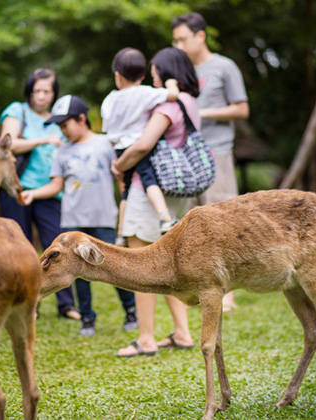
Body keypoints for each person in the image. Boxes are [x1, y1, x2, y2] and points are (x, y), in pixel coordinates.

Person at [21, 95, 138, 336]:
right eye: (60, 126)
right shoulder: (62, 152)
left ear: (82, 119)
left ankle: (131, 311)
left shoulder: (106, 144)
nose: (63, 130)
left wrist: (126, 207)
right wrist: (33, 193)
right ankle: (87, 318)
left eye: (65, 125)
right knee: (80, 275)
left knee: (113, 268)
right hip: (74, 224)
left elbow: (120, 179)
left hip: (103, 217)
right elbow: (56, 186)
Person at [112, 47, 199, 357]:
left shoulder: (167, 105)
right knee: (171, 265)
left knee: (141, 264)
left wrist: (120, 165)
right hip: (177, 193)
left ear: (167, 73)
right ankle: (183, 332)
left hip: (149, 192)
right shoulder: (190, 102)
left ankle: (146, 338)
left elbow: (144, 144)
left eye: (155, 73)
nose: (152, 78)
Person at [172, 12, 250, 312]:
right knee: (190, 225)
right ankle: (198, 290)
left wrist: (201, 114)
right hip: (184, 157)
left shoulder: (224, 67)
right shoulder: (178, 71)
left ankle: (229, 293)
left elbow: (242, 110)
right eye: (175, 40)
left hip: (216, 152)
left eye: (183, 39)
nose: (178, 45)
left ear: (200, 36)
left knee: (223, 223)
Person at [0, 68, 80, 321]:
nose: (41, 96)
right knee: (19, 248)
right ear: (29, 91)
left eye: (47, 91)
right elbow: (7, 142)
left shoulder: (58, 120)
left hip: (49, 192)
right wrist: (43, 140)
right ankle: (25, 303)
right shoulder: (18, 111)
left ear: (55, 93)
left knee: (59, 246)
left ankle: (66, 305)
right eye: (37, 90)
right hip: (18, 191)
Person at [100, 48, 182, 247]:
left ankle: (120, 233)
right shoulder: (145, 93)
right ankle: (165, 218)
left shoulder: (109, 99)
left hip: (120, 149)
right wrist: (171, 83)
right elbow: (173, 95)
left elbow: (107, 129)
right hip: (137, 145)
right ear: (144, 75)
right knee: (148, 180)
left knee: (126, 190)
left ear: (117, 75)